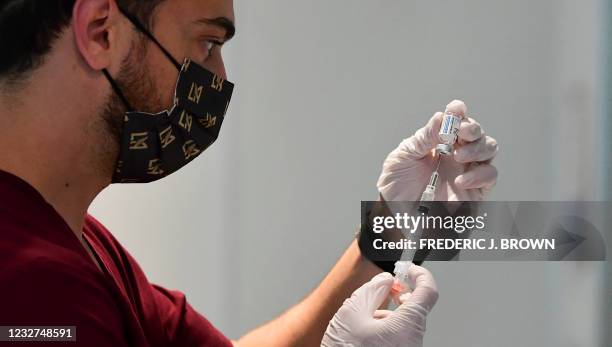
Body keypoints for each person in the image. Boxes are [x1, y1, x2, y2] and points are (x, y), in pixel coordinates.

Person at [0, 0, 498, 346]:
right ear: (100, 31)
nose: (217, 76)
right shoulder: (30, 286)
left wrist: (387, 229)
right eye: (207, 42)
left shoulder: (85, 246)